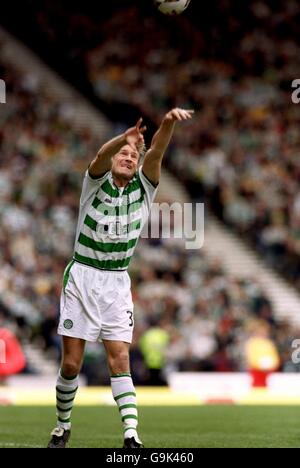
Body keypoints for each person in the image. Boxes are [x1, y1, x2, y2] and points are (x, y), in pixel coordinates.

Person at [47, 108, 194, 448]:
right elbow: (100, 155)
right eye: (124, 154)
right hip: (82, 277)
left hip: (116, 282)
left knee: (121, 358)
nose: (128, 157)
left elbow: (156, 151)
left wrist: (168, 123)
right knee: (71, 363)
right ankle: (62, 424)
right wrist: (122, 139)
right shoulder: (94, 183)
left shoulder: (144, 189)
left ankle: (131, 433)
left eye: (133, 155)